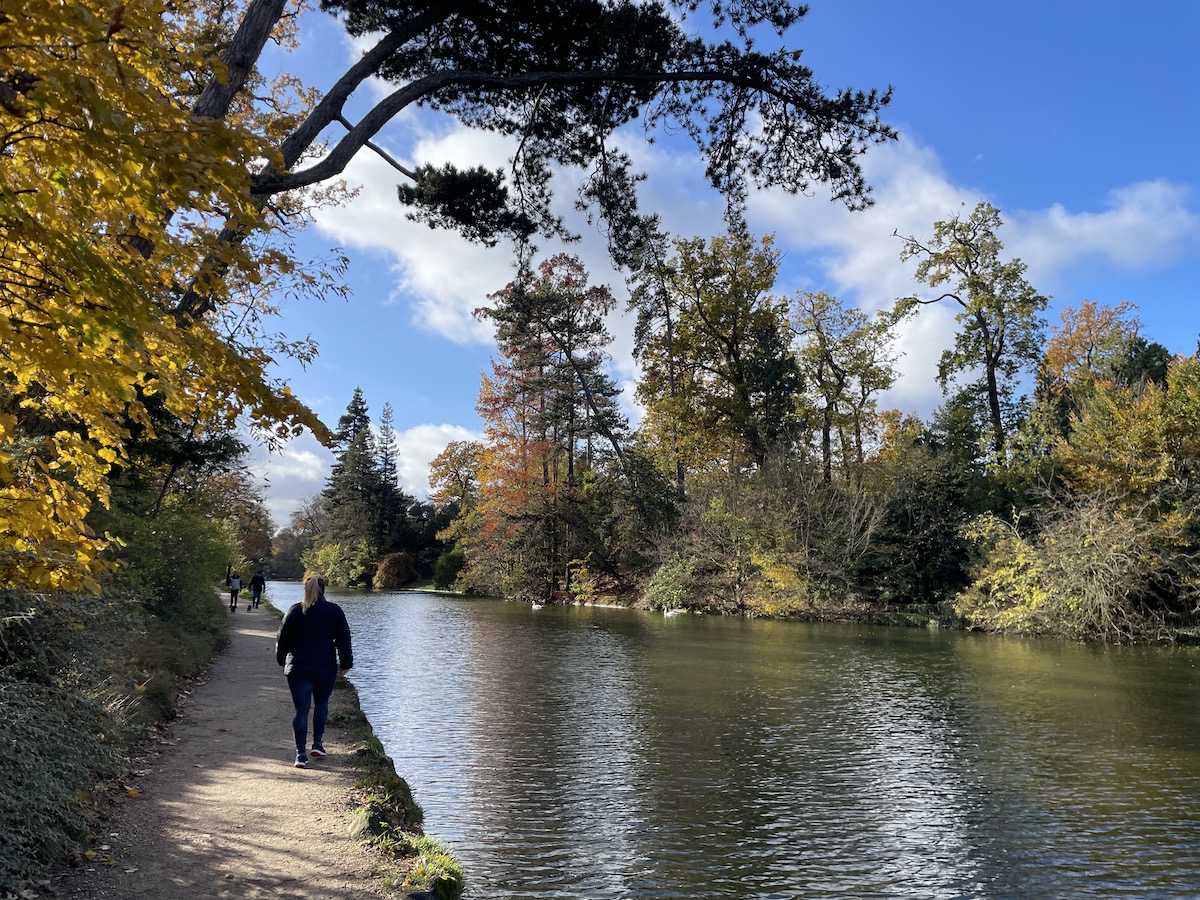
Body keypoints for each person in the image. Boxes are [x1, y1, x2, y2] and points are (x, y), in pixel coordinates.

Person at [275, 576, 353, 768]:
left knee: (301, 709)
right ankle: (317, 744)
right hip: (324, 667)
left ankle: (300, 755)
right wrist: (345, 664)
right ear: (323, 590)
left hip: (298, 667)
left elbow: (282, 639)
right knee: (321, 704)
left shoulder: (294, 610)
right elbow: (344, 640)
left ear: (305, 590)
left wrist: (281, 660)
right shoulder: (334, 611)